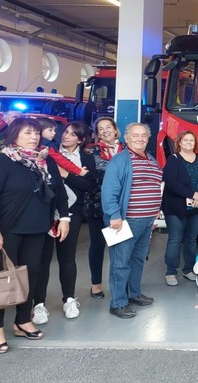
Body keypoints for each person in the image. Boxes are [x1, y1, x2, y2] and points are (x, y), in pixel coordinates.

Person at [0, 117, 69, 352]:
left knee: (31, 275)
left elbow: (60, 192)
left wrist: (64, 218)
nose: (34, 137)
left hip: (37, 229)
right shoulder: (3, 162)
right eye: (28, 133)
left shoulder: (44, 161)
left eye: (36, 133)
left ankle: (22, 320)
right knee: (1, 279)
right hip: (7, 231)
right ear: (14, 135)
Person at [34, 121, 97, 323]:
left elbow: (88, 186)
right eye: (66, 132)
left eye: (72, 134)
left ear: (81, 139)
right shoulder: (47, 152)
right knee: (42, 260)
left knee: (67, 257)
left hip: (72, 212)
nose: (66, 136)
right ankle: (39, 304)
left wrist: (66, 175)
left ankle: (69, 299)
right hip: (45, 211)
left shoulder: (87, 158)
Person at [102, 123, 162, 319]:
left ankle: (133, 294)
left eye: (143, 135)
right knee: (120, 262)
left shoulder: (151, 160)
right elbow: (109, 190)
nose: (140, 139)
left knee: (137, 260)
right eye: (135, 135)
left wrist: (154, 213)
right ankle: (118, 303)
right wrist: (114, 215)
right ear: (126, 139)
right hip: (125, 221)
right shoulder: (120, 161)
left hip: (146, 221)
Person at [162, 130, 198, 287]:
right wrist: (193, 195)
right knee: (175, 239)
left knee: (191, 239)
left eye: (191, 140)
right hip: (175, 208)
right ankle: (171, 272)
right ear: (179, 143)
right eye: (185, 140)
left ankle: (188, 269)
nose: (189, 143)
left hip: (197, 208)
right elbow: (171, 182)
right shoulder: (173, 159)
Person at [84, 117, 124, 299]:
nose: (105, 131)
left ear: (115, 130)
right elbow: (92, 174)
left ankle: (120, 286)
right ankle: (96, 285)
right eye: (101, 129)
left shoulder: (127, 149)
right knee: (98, 245)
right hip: (97, 203)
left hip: (122, 205)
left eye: (108, 127)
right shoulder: (92, 150)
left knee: (120, 247)